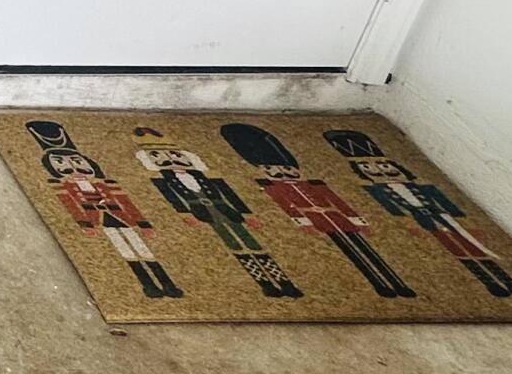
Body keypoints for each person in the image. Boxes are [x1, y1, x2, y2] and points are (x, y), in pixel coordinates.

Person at [218, 121, 414, 299]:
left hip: (335, 217)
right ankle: (268, 284)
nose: (284, 173)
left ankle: (392, 283)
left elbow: (336, 201)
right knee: (240, 247)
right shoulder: (274, 187)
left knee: (366, 251)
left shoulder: (315, 185)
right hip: (315, 219)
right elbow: (287, 205)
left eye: (288, 170)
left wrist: (356, 219)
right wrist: (301, 220)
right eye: (275, 170)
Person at [322, 128, 512, 298]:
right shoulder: (378, 190)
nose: (379, 171)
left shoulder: (423, 189)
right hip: (423, 222)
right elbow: (391, 208)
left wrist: (452, 214)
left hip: (442, 218)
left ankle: (504, 281)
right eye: (368, 168)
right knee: (458, 250)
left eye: (385, 166)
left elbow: (442, 202)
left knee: (472, 248)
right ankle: (490, 283)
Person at [130, 126, 301, 298]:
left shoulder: (207, 176)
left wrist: (247, 213)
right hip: (203, 213)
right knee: (236, 247)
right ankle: (265, 283)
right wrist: (185, 214)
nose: (170, 160)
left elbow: (230, 194)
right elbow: (171, 197)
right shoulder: (162, 178)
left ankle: (283, 282)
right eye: (159, 157)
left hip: (225, 210)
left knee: (254, 246)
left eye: (175, 155)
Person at [23, 119, 180, 301]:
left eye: (78, 162)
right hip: (98, 219)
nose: (74, 167)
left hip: (119, 217)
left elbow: (125, 202)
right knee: (128, 253)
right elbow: (71, 205)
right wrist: (85, 223)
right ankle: (148, 285)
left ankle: (167, 284)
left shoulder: (107, 185)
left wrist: (143, 223)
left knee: (142, 250)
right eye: (61, 163)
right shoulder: (65, 186)